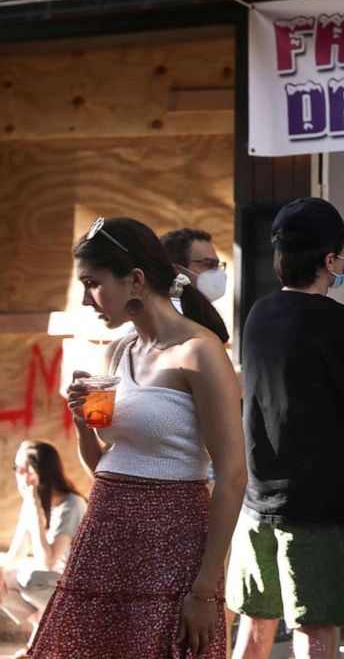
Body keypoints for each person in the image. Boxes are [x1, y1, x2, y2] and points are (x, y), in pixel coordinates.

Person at [33, 216, 246, 658]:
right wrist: (81, 423)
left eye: (93, 283)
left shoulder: (200, 352)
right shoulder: (118, 350)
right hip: (105, 534)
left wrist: (205, 589)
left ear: (135, 280)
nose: (88, 299)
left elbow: (233, 475)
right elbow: (104, 464)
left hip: (172, 538)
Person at [227, 197, 344, 659]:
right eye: (342, 253)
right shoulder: (338, 321)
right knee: (317, 633)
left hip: (256, 499)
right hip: (317, 504)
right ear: (330, 260)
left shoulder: (257, 314)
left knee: (255, 626)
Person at [0, 441, 86, 657]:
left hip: (75, 587)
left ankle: (45, 633)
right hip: (49, 582)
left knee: (30, 579)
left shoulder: (71, 505)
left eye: (18, 469)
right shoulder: (31, 502)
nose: (17, 475)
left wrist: (36, 511)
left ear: (32, 473)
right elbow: (16, 554)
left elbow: (47, 561)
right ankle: (40, 624)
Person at [160, 228, 228, 304]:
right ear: (177, 271)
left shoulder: (205, 313)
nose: (218, 273)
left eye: (217, 265)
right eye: (208, 264)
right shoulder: (158, 313)